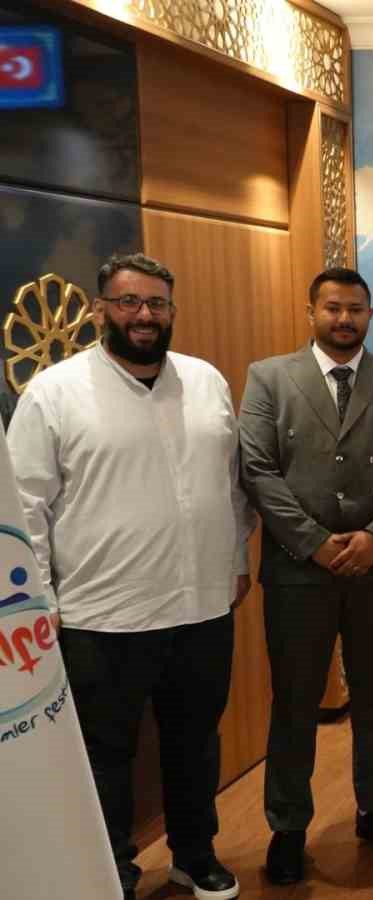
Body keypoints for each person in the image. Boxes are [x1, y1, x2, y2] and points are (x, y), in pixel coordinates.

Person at [9, 253, 254, 900]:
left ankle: (194, 857)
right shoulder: (54, 393)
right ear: (101, 310)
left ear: (171, 311)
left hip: (202, 608)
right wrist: (40, 600)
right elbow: (25, 506)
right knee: (106, 755)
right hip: (101, 616)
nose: (144, 315)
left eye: (156, 303)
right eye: (129, 302)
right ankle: (111, 871)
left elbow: (230, 485)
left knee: (195, 746)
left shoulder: (205, 380)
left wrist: (236, 562)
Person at [239, 267, 373, 885]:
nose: (344, 319)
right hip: (300, 570)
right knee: (295, 701)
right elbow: (257, 469)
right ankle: (287, 827)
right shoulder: (269, 377)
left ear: (370, 315)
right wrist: (315, 543)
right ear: (311, 313)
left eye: (355, 309)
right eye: (333, 308)